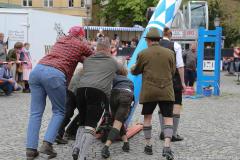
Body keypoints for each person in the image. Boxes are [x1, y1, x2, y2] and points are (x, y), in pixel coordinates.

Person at [26, 26, 94, 160]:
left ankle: (30, 149)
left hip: (37, 70)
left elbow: (71, 55)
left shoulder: (60, 40)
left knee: (35, 113)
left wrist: (79, 58)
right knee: (59, 111)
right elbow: (94, 55)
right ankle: (47, 144)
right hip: (55, 74)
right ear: (81, 36)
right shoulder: (81, 44)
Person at [72, 37, 121, 160]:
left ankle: (76, 148)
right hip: (98, 92)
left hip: (81, 90)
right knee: (91, 125)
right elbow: (122, 71)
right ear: (108, 48)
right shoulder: (113, 62)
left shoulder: (88, 60)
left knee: (82, 121)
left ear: (97, 48)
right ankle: (82, 156)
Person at [131, 28, 176, 160]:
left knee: (147, 118)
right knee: (168, 118)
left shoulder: (143, 53)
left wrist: (133, 67)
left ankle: (148, 145)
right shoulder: (169, 53)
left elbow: (136, 71)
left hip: (149, 91)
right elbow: (172, 72)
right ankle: (167, 147)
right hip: (166, 90)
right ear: (159, 39)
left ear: (148, 40)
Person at [159, 27, 186, 142]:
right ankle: (173, 134)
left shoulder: (155, 45)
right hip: (173, 81)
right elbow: (180, 65)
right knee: (176, 106)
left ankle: (163, 132)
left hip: (159, 81)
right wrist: (183, 82)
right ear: (170, 35)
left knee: (162, 106)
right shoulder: (176, 46)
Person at [101, 66, 134, 159]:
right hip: (126, 95)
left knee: (117, 120)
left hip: (114, 94)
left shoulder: (113, 77)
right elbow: (133, 96)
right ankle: (110, 147)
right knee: (119, 121)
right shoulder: (129, 81)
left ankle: (121, 144)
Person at [55, 65, 83, 144]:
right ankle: (70, 132)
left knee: (68, 112)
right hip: (78, 89)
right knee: (84, 112)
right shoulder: (93, 66)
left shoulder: (85, 65)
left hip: (71, 88)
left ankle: (59, 133)